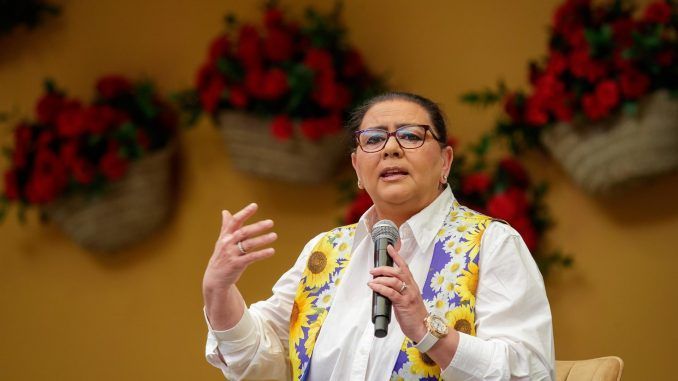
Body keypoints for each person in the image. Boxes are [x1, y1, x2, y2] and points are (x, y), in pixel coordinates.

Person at [202, 92, 555, 380]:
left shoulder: (491, 244)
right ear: (357, 168)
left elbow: (531, 372)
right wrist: (218, 294)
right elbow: (262, 361)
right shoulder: (325, 252)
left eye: (411, 135)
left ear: (445, 162)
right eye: (373, 139)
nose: (390, 148)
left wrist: (428, 330)